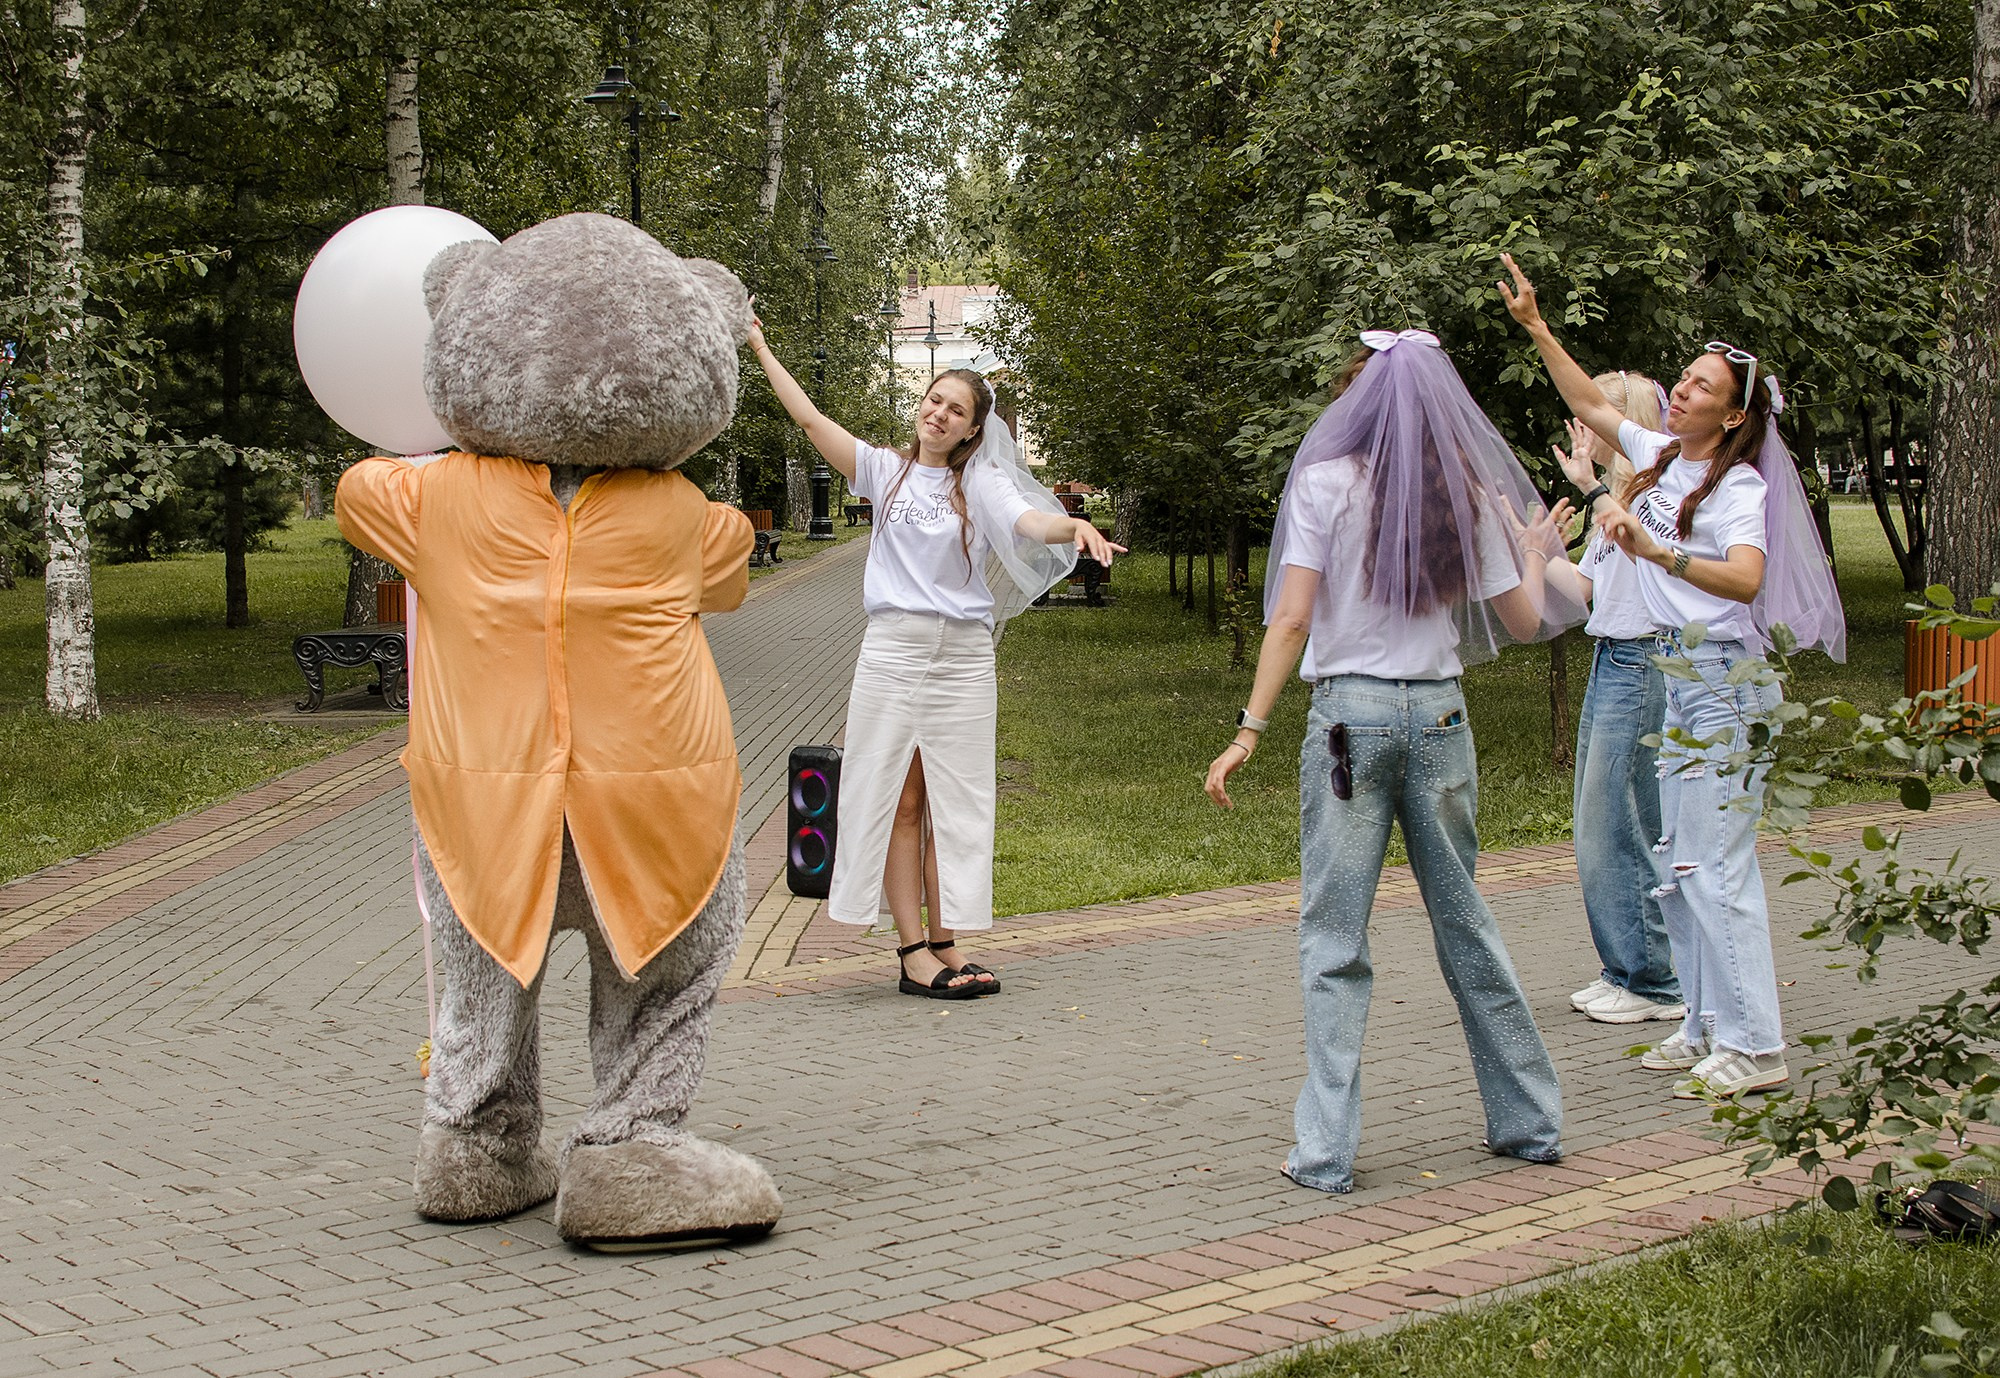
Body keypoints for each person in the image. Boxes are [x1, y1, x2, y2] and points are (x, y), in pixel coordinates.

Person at [1204, 328, 1585, 1193]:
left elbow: (1292, 620)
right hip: (1441, 716)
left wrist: (1248, 730)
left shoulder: (1323, 481)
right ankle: (1528, 1122)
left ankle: (1326, 1152)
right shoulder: (1470, 495)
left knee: (1335, 936)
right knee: (1467, 924)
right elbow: (1525, 624)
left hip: (1350, 723)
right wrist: (1533, 554)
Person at [1500, 252, 1845, 1098]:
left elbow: (1745, 579)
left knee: (1716, 866)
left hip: (1724, 679)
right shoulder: (1663, 455)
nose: (1682, 391)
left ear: (1731, 417)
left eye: (1700, 387)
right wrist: (1539, 327)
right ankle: (1701, 1026)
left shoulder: (1742, 488)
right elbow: (1585, 401)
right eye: (1683, 379)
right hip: (1686, 684)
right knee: (1677, 858)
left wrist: (1659, 552)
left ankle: (1757, 1048)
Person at [749, 319, 1123, 999]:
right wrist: (759, 344)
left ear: (972, 430)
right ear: (920, 406)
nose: (939, 413)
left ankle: (947, 942)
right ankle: (912, 951)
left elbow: (1029, 522)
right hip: (893, 653)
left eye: (956, 409)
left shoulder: (979, 484)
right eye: (933, 399)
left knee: (955, 800)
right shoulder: (882, 471)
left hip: (963, 662)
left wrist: (1073, 525)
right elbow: (807, 419)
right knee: (900, 799)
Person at [1547, 376, 1687, 1026]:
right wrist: (1530, 547)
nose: (1583, 423)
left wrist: (1588, 487)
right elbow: (1584, 591)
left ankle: (1655, 979)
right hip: (1614, 658)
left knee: (1620, 822)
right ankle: (1626, 967)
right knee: (1600, 822)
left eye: (1593, 413)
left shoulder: (1653, 497)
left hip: (1641, 661)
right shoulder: (1619, 500)